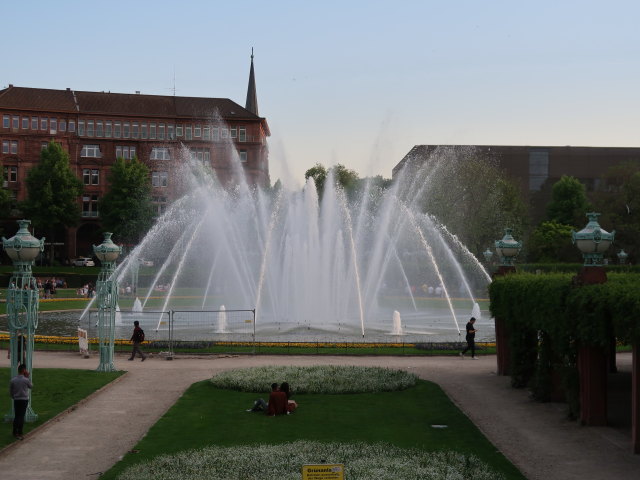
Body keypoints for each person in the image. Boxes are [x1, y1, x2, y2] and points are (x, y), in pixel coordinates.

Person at [10, 364, 32, 440]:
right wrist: (28, 377)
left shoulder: (13, 380)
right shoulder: (26, 380)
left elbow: (11, 391)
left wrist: (14, 397)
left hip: (16, 399)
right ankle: (19, 432)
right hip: (24, 400)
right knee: (21, 416)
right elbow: (31, 386)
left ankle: (14, 431)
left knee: (17, 416)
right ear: (24, 370)